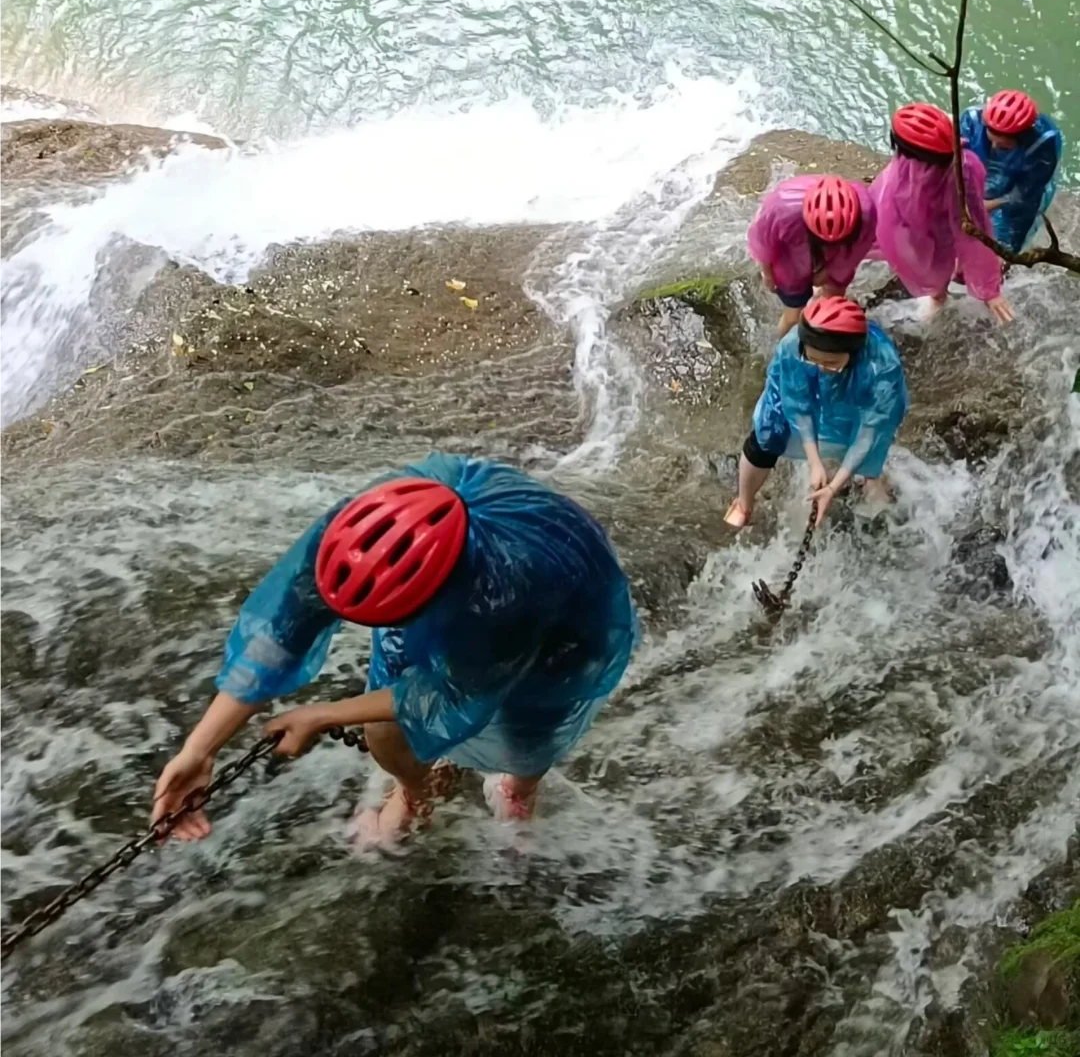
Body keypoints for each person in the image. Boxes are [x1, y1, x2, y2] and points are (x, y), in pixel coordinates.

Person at [151, 454, 639, 847]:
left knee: (530, 721)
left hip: (567, 615)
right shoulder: (366, 531)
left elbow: (452, 693)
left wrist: (320, 715)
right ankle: (416, 791)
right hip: (452, 578)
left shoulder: (508, 594)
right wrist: (200, 749)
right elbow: (280, 634)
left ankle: (519, 788)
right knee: (385, 726)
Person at [724, 295, 908, 530]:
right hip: (801, 388)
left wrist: (832, 488)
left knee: (863, 438)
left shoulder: (881, 368)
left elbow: (869, 430)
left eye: (831, 362)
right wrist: (814, 461)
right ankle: (743, 502)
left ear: (852, 353)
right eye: (814, 359)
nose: (822, 368)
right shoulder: (793, 348)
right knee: (768, 432)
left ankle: (869, 475)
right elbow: (797, 403)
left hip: (861, 395)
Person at [870, 103, 1014, 323]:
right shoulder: (906, 163)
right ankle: (935, 294)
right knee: (910, 258)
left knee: (936, 268)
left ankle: (938, 297)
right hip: (907, 217)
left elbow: (973, 226)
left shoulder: (963, 172)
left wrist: (988, 287)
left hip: (937, 229)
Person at [747, 174, 877, 336]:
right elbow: (763, 243)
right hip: (791, 255)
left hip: (844, 248)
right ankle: (784, 347)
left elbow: (855, 252)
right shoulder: (782, 209)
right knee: (793, 316)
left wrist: (830, 272)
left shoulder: (866, 213)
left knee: (833, 303)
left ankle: (827, 341)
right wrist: (767, 273)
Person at [959, 89, 1063, 253]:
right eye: (990, 140)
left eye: (1003, 146)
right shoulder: (971, 121)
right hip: (985, 168)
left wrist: (985, 206)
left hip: (1019, 185)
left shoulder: (1042, 145)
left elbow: (1026, 192)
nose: (994, 147)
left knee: (1003, 245)